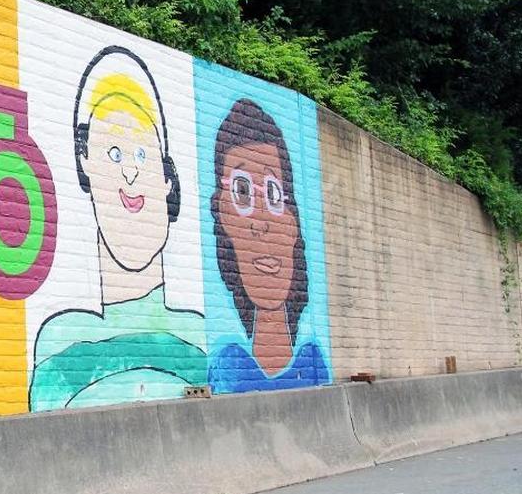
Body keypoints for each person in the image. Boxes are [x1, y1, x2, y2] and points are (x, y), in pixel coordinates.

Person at [29, 46, 206, 411]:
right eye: (113, 153)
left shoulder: (198, 334)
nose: (131, 172)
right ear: (85, 165)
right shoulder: (60, 339)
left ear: (167, 179)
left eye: (143, 155)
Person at [206, 98, 328, 392]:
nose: (261, 223)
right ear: (221, 217)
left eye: (274, 195)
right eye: (242, 193)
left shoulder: (313, 360)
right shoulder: (226, 366)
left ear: (295, 223)